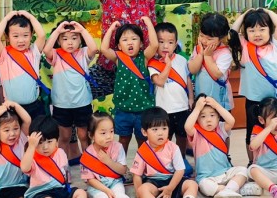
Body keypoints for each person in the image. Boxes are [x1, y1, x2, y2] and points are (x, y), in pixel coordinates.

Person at [21, 115, 104, 198]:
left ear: (57, 140)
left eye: (49, 141)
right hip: (40, 194)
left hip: (60, 190)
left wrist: (68, 188)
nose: (45, 147)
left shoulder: (60, 152)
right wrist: (31, 147)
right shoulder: (32, 157)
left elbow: (65, 173)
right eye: (40, 143)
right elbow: (24, 167)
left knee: (80, 192)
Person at [232, 8, 277, 162]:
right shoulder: (244, 46)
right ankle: (252, 163)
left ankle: (276, 160)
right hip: (254, 102)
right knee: (251, 134)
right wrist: (245, 14)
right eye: (252, 30)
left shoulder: (275, 47)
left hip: (274, 102)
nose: (257, 34)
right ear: (246, 32)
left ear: (270, 30)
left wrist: (265, 11)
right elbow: (233, 31)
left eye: (262, 29)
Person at [132, 107, 200, 198]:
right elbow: (137, 175)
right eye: (155, 129)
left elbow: (180, 170)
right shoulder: (142, 151)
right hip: (154, 184)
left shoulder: (173, 147)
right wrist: (139, 195)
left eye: (164, 128)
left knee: (192, 184)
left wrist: (170, 188)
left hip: (173, 181)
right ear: (144, 132)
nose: (160, 133)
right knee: (143, 189)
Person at [99, 17, 159, 155]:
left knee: (142, 141)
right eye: (125, 40)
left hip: (143, 110)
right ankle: (121, 165)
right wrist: (111, 28)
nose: (130, 42)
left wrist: (148, 23)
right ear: (119, 46)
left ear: (141, 43)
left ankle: (143, 165)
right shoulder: (118, 59)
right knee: (123, 140)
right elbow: (104, 48)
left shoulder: (144, 57)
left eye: (134, 39)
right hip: (123, 110)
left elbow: (155, 45)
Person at [42, 20, 97, 162]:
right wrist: (57, 31)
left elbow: (94, 48)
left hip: (82, 103)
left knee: (84, 136)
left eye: (74, 38)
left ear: (80, 40)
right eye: (65, 39)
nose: (70, 42)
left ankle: (89, 164)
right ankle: (62, 166)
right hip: (62, 104)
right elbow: (46, 50)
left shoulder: (83, 54)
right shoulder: (56, 55)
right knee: (64, 137)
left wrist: (82, 30)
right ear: (59, 41)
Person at [184, 95, 250, 198]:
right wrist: (197, 108)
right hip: (207, 177)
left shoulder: (220, 128)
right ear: (197, 119)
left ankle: (227, 191)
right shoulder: (196, 132)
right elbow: (187, 126)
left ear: (218, 117)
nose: (208, 119)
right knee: (204, 186)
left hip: (225, 172)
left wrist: (216, 105)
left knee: (243, 170)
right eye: (203, 116)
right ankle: (232, 190)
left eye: (212, 115)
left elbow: (231, 120)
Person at [80, 112, 142, 198]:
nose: (109, 136)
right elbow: (90, 180)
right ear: (91, 135)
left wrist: (108, 161)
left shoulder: (118, 147)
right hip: (97, 186)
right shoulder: (87, 154)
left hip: (115, 182)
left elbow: (123, 170)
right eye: (103, 133)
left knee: (120, 195)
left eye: (111, 131)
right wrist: (106, 190)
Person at [148, 22, 193, 159]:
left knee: (182, 136)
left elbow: (187, 80)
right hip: (164, 110)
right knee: (164, 138)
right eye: (161, 42)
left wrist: (191, 98)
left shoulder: (182, 60)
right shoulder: (152, 63)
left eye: (170, 42)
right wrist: (168, 65)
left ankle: (181, 159)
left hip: (182, 107)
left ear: (175, 44)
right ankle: (165, 161)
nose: (165, 46)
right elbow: (159, 81)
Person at [0, 10, 47, 119]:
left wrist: (30, 17)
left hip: (34, 106)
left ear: (31, 35)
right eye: (15, 36)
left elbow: (42, 35)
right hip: (12, 108)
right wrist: (7, 18)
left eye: (25, 35)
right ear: (7, 37)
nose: (21, 40)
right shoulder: (4, 55)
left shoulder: (33, 53)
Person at [188, 13, 242, 111]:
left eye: (209, 39)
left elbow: (216, 73)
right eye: (201, 36)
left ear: (221, 38)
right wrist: (200, 55)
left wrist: (208, 56)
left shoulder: (225, 53)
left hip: (220, 102)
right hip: (202, 101)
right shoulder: (198, 49)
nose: (204, 41)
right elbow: (192, 70)